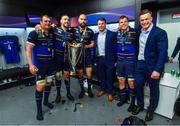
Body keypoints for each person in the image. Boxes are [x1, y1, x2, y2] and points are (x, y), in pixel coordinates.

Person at [132, 9, 168, 122]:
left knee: (153, 90)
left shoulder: (160, 33)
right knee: (138, 86)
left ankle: (151, 110)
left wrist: (157, 70)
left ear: (151, 18)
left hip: (153, 66)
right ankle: (140, 105)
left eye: (146, 19)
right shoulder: (138, 31)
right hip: (140, 64)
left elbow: (163, 53)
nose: (144, 22)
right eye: (142, 20)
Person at [26, 15, 55, 120]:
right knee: (40, 87)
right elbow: (28, 49)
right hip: (40, 67)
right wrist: (30, 64)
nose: (47, 23)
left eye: (49, 21)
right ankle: (39, 111)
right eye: (45, 21)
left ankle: (46, 101)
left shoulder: (52, 33)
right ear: (41, 22)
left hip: (50, 66)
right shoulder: (34, 33)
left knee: (49, 84)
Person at [116, 15, 137, 112]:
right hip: (120, 61)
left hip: (130, 61)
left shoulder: (135, 32)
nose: (123, 23)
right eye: (121, 22)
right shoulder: (117, 33)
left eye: (125, 21)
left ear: (128, 22)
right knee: (121, 81)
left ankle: (132, 103)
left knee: (131, 82)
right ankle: (123, 99)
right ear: (119, 24)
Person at [53, 15, 75, 103]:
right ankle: (58, 94)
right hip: (57, 58)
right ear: (61, 21)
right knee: (58, 77)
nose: (67, 21)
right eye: (65, 19)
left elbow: (73, 42)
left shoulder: (71, 32)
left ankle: (68, 93)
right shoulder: (55, 30)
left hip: (67, 58)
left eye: (68, 20)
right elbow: (44, 31)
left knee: (67, 76)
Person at [94, 17, 116, 102]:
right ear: (97, 25)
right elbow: (94, 48)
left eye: (102, 23)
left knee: (110, 76)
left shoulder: (112, 34)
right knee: (101, 76)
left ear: (105, 24)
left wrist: (115, 60)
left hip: (109, 59)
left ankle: (110, 92)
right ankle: (103, 89)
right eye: (99, 24)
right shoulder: (95, 35)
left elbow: (115, 48)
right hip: (99, 59)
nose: (101, 25)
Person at [73, 14, 94, 98]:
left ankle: (89, 89)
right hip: (78, 56)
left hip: (88, 55)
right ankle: (82, 90)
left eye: (85, 19)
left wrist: (86, 46)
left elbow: (93, 44)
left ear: (86, 21)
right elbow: (70, 42)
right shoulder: (73, 31)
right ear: (78, 20)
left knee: (89, 74)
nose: (83, 21)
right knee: (80, 74)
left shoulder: (90, 31)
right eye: (81, 19)